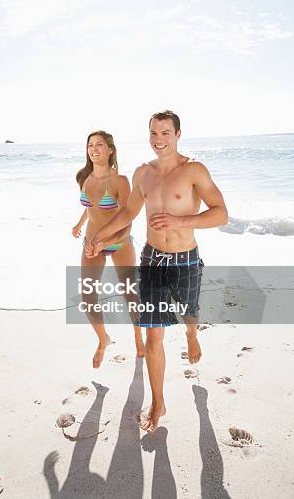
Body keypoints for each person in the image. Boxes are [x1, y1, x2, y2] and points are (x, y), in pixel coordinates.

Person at [85, 111, 228, 432]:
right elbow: (127, 213)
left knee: (188, 314)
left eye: (165, 132)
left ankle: (192, 335)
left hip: (185, 260)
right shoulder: (142, 174)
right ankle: (159, 402)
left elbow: (221, 214)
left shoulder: (193, 170)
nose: (158, 139)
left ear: (178, 134)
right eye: (153, 133)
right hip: (152, 260)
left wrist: (181, 221)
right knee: (154, 335)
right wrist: (98, 237)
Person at [72, 130, 145, 368]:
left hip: (119, 242)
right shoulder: (84, 177)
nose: (94, 149)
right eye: (90, 145)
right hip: (91, 244)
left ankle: (138, 334)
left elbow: (127, 218)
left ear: (110, 149)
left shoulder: (119, 181)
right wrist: (80, 223)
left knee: (130, 295)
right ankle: (103, 339)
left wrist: (106, 242)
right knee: (87, 297)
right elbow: (91, 206)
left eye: (99, 144)